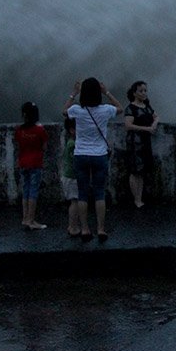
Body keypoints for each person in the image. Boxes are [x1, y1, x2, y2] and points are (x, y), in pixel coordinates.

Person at [63, 77, 123, 242]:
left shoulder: (77, 110)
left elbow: (64, 111)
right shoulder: (105, 110)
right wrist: (107, 92)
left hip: (81, 155)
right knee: (99, 194)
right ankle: (101, 229)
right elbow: (120, 108)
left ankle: (84, 229)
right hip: (99, 155)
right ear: (98, 93)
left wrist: (74, 93)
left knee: (82, 195)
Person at [124, 80, 159, 209]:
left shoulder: (147, 106)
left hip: (144, 142)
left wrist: (154, 125)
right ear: (134, 93)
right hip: (135, 142)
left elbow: (156, 116)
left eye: (145, 91)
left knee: (142, 170)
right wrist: (148, 129)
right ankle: (136, 199)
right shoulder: (131, 108)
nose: (144, 93)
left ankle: (140, 198)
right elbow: (128, 125)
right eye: (141, 91)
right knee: (135, 170)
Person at [14, 101, 48, 230]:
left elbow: (18, 144)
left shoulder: (19, 131)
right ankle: (31, 219)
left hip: (23, 163)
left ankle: (25, 218)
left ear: (24, 115)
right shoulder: (40, 130)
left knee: (26, 190)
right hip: (35, 163)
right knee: (33, 191)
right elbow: (44, 147)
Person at [61, 118, 81, 236]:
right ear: (72, 130)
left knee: (75, 201)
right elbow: (75, 161)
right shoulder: (73, 144)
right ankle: (73, 227)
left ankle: (73, 226)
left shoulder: (71, 142)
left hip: (71, 176)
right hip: (72, 177)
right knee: (75, 202)